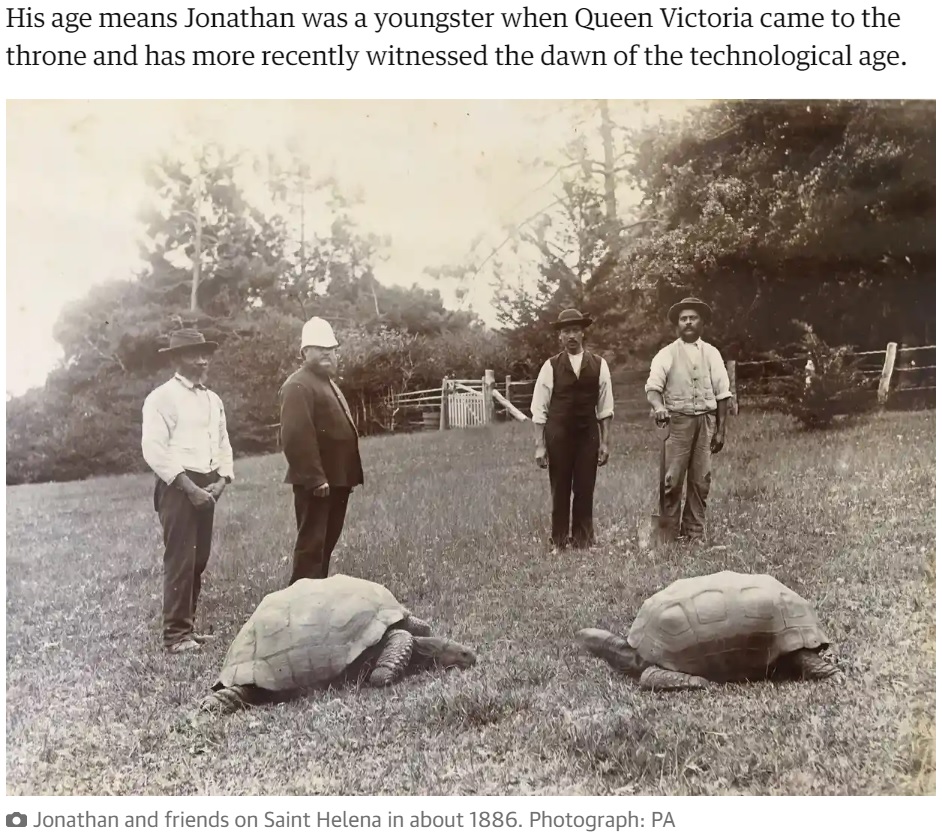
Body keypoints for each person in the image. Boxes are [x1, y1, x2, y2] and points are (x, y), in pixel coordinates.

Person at [141, 328, 234, 654]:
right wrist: (189, 487)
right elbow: (154, 449)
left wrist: (222, 480)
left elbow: (223, 442)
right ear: (177, 358)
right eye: (195, 353)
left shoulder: (212, 399)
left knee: (198, 559)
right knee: (180, 559)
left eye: (206, 352)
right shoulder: (161, 398)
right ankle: (176, 635)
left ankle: (188, 628)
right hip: (178, 487)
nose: (203, 359)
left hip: (207, 484)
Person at [279, 316, 363, 585]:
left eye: (332, 348)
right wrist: (315, 478)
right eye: (319, 347)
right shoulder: (298, 384)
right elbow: (295, 436)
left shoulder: (327, 383)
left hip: (337, 480)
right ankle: (299, 608)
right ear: (305, 352)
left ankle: (316, 602)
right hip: (318, 483)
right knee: (311, 549)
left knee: (325, 547)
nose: (327, 352)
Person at [644, 296, 731, 541]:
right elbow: (652, 388)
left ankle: (694, 534)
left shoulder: (712, 353)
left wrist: (721, 430)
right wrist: (659, 407)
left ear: (701, 322)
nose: (688, 322)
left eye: (693, 318)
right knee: (671, 480)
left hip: (705, 422)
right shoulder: (666, 354)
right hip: (677, 424)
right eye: (684, 319)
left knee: (701, 479)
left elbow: (723, 393)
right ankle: (668, 535)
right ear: (677, 324)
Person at [530, 308, 614, 550]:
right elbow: (539, 408)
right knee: (560, 487)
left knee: (585, 487)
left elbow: (605, 408)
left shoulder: (599, 365)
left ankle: (583, 540)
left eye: (576, 330)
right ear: (560, 336)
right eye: (566, 331)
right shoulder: (551, 366)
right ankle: (558, 541)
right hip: (559, 434)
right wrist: (539, 445)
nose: (571, 336)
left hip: (587, 434)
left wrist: (605, 442)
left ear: (583, 333)